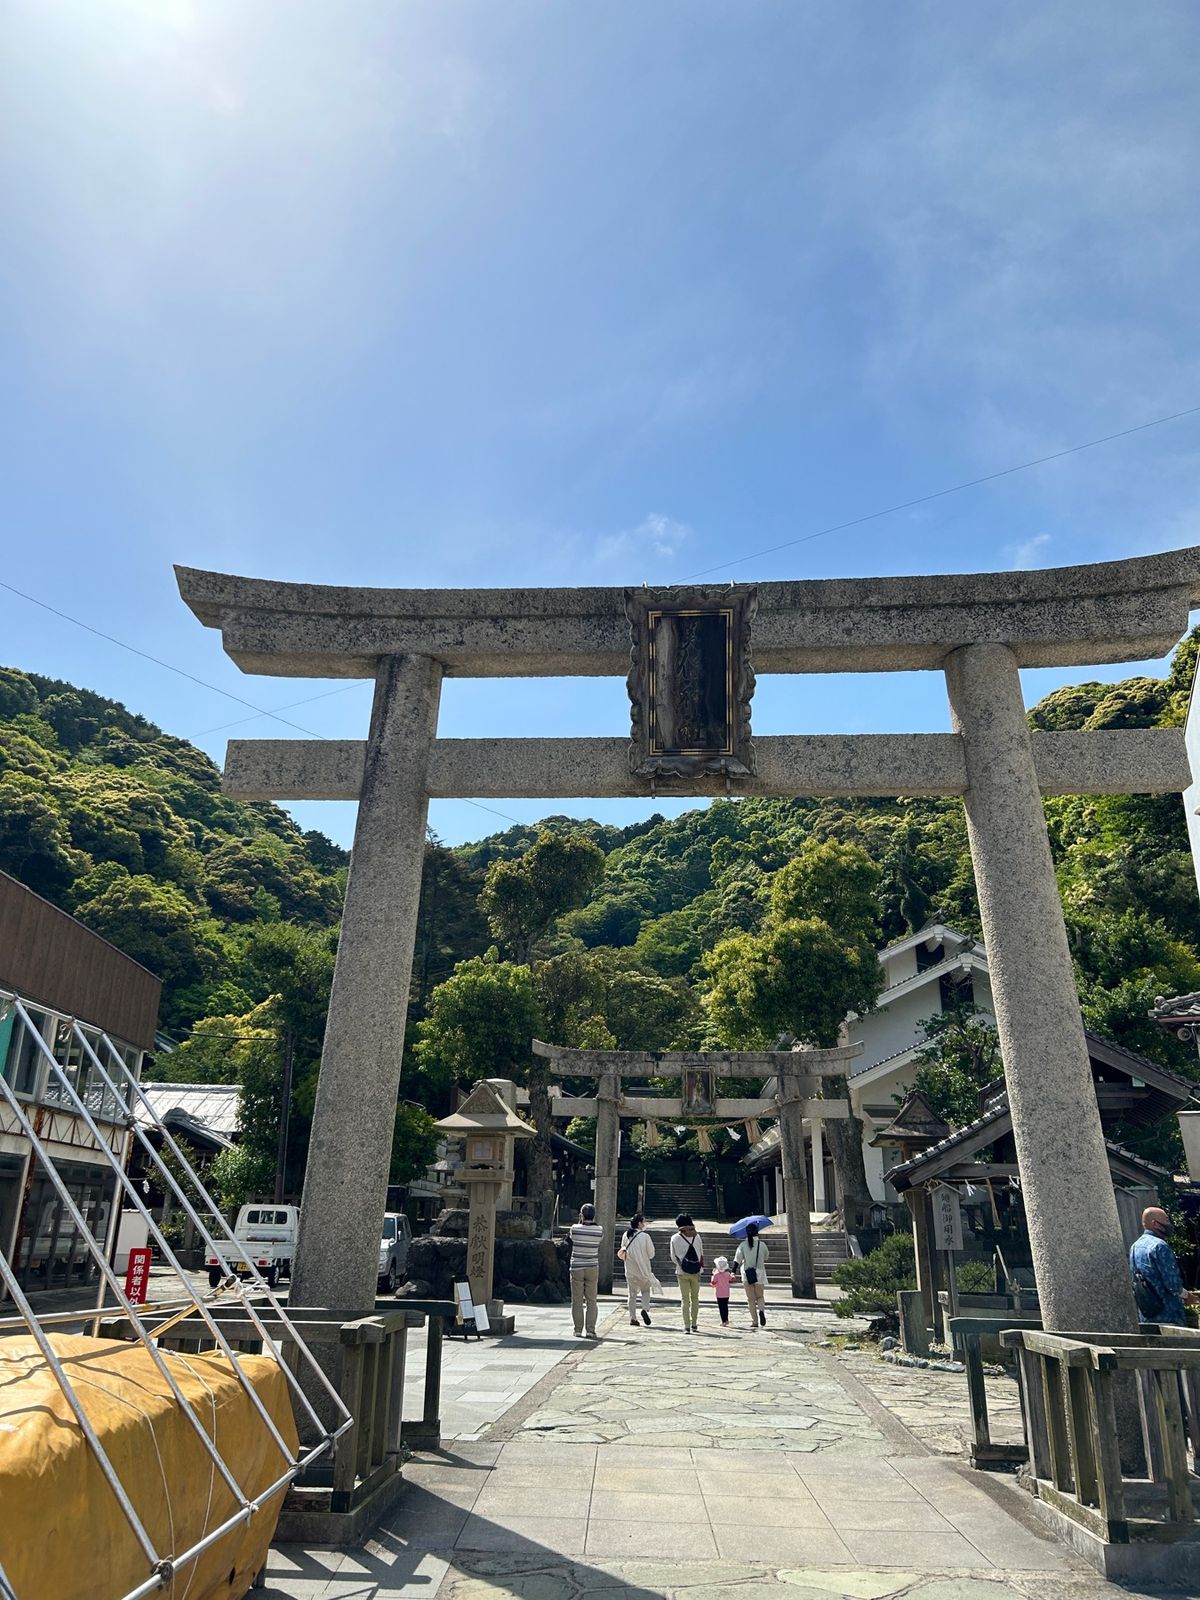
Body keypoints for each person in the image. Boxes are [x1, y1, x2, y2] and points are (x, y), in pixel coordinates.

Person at [1130, 1206, 1193, 1327]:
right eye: (1166, 1220)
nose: (1169, 1224)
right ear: (1156, 1224)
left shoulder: (1135, 1246)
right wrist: (1188, 1296)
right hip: (1168, 1313)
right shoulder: (1160, 1246)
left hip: (1146, 1312)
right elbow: (1173, 1284)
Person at [569, 1202, 604, 1338]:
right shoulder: (599, 1230)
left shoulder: (574, 1228)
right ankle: (590, 1330)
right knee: (592, 1300)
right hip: (592, 1266)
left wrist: (580, 1221)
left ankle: (578, 1329)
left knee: (577, 1300)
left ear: (581, 1215)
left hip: (577, 1266)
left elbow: (572, 1238)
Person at [619, 1213, 658, 1327]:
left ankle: (632, 1318)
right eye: (643, 1222)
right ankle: (645, 1309)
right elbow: (651, 1254)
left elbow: (623, 1251)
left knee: (632, 1294)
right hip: (643, 1269)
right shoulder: (645, 1236)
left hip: (630, 1269)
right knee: (645, 1291)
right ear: (640, 1223)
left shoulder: (626, 1235)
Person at [669, 1213, 705, 1333]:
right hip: (696, 1271)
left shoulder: (675, 1238)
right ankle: (695, 1324)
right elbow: (701, 1253)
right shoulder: (697, 1237)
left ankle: (687, 1326)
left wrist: (682, 1265)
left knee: (685, 1299)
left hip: (681, 1271)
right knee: (695, 1298)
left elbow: (673, 1257)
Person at [735, 1223, 769, 1331]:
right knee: (760, 1296)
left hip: (747, 1274)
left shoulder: (743, 1245)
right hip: (759, 1273)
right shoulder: (762, 1245)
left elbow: (737, 1259)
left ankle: (755, 1321)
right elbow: (767, 1257)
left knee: (751, 1299)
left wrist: (732, 1271)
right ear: (757, 1232)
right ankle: (762, 1310)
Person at [710, 1255, 732, 1330]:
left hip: (719, 1294)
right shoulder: (727, 1274)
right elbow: (731, 1278)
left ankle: (723, 1321)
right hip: (726, 1293)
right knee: (725, 1307)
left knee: (721, 1307)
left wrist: (713, 1275)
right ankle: (726, 1319)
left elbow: (713, 1283)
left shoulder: (716, 1275)